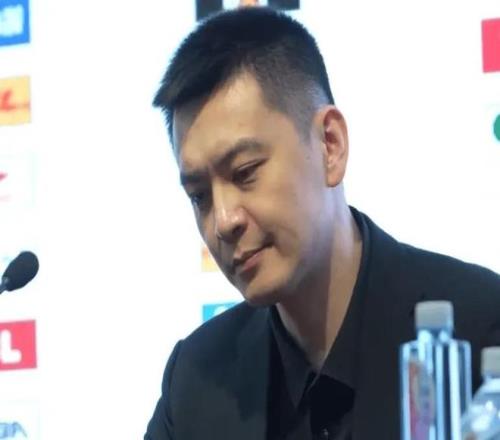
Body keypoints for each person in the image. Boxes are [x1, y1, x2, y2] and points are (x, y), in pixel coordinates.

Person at [144, 6, 500, 440]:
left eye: (245, 172)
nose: (223, 221)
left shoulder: (483, 328)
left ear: (330, 145)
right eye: (199, 196)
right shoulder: (196, 380)